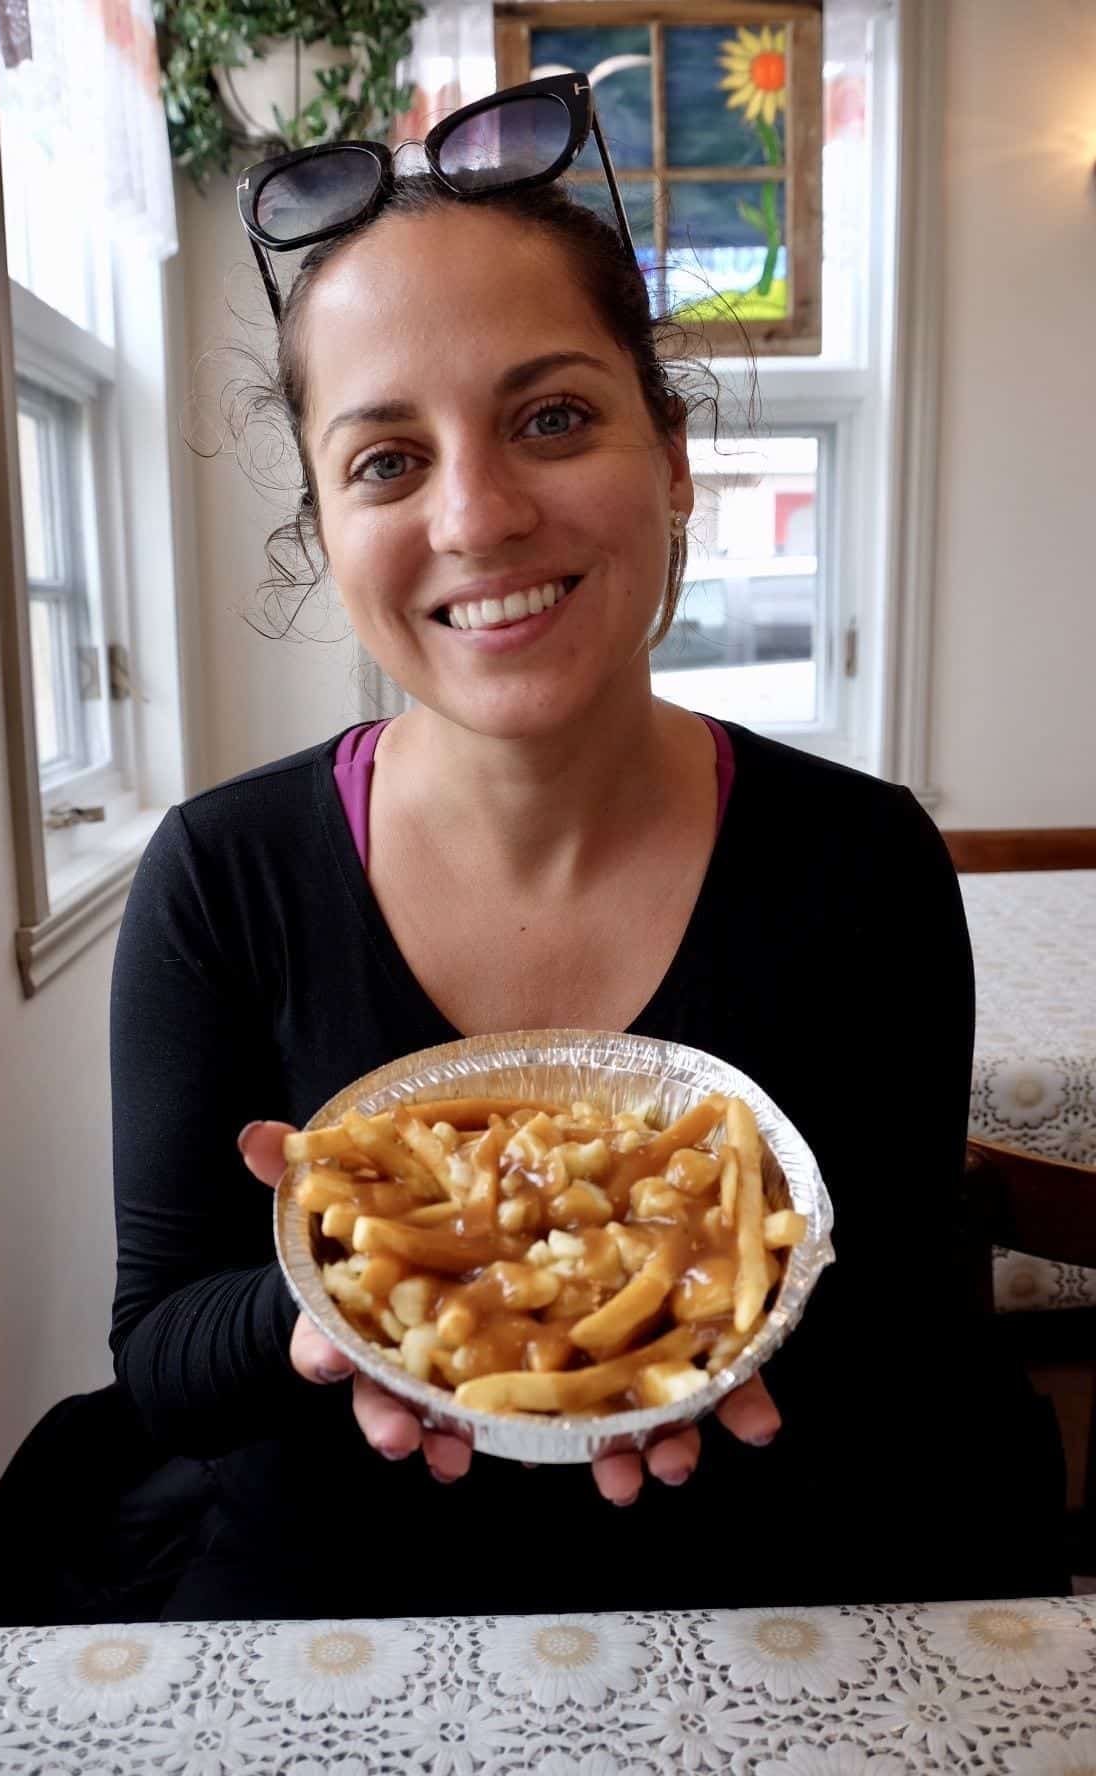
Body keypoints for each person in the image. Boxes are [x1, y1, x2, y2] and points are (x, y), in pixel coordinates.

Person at [109, 78, 1065, 1621]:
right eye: (385, 460)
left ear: (673, 457)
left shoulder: (866, 865)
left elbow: (895, 1320)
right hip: (336, 1597)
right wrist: (328, 1312)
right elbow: (158, 1354)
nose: (479, 515)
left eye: (552, 417)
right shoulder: (219, 879)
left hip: (766, 1581)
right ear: (325, 529)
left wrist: (683, 1332)